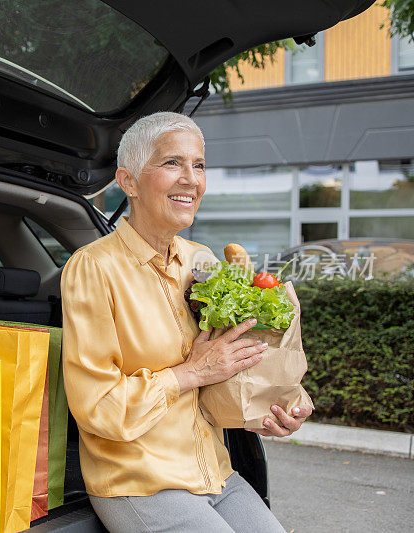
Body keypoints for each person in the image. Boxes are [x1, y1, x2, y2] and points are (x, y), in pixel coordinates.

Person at [60, 112, 312, 532]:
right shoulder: (94, 268)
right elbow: (98, 407)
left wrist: (279, 403)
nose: (191, 179)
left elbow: (232, 369)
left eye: (199, 165)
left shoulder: (203, 260)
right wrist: (190, 372)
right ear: (129, 182)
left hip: (215, 472)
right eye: (172, 163)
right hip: (140, 481)